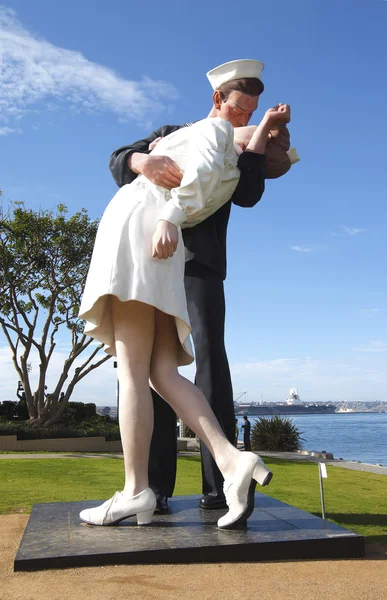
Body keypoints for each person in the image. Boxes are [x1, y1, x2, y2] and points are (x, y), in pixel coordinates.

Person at [78, 112, 292, 529]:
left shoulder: (224, 146)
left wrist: (264, 137)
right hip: (165, 252)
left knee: (139, 372)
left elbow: (246, 188)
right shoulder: (184, 134)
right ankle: (226, 463)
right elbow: (122, 157)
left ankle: (140, 489)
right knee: (160, 372)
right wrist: (143, 161)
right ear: (220, 98)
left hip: (158, 245)